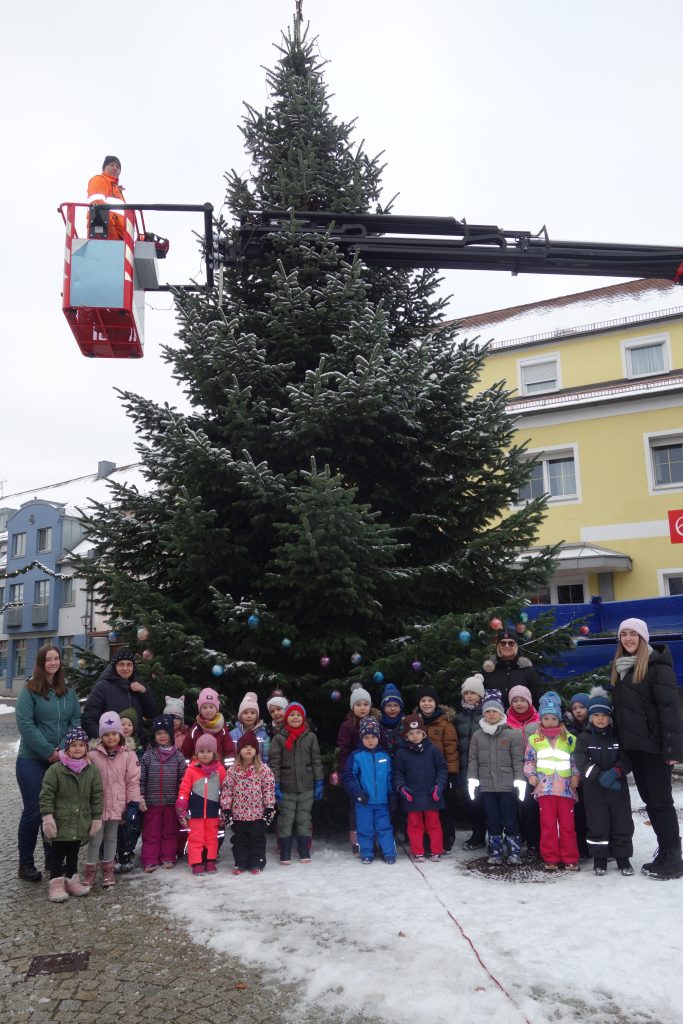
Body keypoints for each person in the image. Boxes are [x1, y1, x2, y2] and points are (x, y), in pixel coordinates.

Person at [610, 617, 683, 879]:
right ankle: (665, 851)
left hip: (654, 749)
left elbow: (670, 711)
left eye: (633, 634)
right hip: (636, 748)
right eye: (624, 634)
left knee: (661, 803)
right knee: (651, 803)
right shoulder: (622, 668)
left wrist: (672, 751)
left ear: (643, 638)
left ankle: (674, 857)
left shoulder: (656, 667)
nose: (628, 639)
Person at [15, 644, 81, 881]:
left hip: (60, 758)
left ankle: (52, 859)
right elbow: (25, 723)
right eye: (48, 659)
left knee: (54, 810)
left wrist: (62, 748)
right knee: (35, 811)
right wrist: (47, 750)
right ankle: (25, 864)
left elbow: (75, 719)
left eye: (57, 659)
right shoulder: (30, 690)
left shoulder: (68, 690)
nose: (53, 663)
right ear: (42, 663)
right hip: (31, 759)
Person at [39, 726, 103, 903]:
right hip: (60, 821)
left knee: (74, 853)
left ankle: (72, 880)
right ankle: (56, 883)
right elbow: (47, 794)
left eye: (81, 745)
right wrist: (47, 817)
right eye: (73, 745)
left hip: (80, 821)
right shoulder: (56, 770)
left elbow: (97, 796)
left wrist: (96, 818)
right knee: (58, 853)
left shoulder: (92, 772)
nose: (77, 748)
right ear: (67, 748)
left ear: (86, 748)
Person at [574, 688, 634, 876]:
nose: (600, 719)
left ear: (610, 717)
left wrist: (616, 772)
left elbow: (626, 759)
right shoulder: (584, 738)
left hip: (618, 789)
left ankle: (623, 859)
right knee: (598, 823)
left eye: (604, 715)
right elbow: (581, 761)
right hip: (594, 790)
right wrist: (600, 776)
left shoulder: (618, 737)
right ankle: (600, 860)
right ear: (591, 717)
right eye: (596, 715)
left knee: (622, 822)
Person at [524, 691, 580, 872]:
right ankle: (550, 858)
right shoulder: (534, 739)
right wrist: (531, 775)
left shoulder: (570, 739)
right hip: (544, 789)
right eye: (546, 718)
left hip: (565, 789)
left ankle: (570, 858)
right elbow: (529, 760)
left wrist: (576, 776)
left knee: (567, 826)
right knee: (547, 825)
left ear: (559, 719)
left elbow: (576, 760)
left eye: (553, 718)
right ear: (541, 719)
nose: (549, 722)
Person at [84, 712, 142, 888]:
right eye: (107, 734)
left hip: (117, 804)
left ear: (120, 735)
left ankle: (108, 870)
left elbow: (132, 781)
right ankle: (90, 871)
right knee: (95, 839)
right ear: (101, 736)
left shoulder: (128, 755)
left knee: (111, 838)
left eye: (114, 734)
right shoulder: (93, 755)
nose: (111, 738)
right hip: (98, 806)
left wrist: (133, 803)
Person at [467, 691, 525, 865]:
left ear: (501, 713)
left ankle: (514, 850)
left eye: (494, 711)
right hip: (487, 786)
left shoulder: (512, 734)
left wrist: (519, 780)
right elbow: (473, 759)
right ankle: (495, 850)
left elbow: (518, 759)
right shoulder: (478, 736)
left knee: (510, 818)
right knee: (492, 819)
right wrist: (472, 780)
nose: (491, 714)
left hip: (507, 786)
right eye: (487, 711)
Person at [269, 702, 324, 865]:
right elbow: (275, 763)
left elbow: (316, 761)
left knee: (304, 818)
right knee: (286, 819)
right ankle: (284, 850)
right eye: (292, 714)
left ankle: (303, 849)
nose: (295, 717)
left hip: (307, 786)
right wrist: (275, 784)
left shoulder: (310, 737)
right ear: (286, 718)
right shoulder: (279, 738)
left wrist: (319, 781)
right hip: (286, 787)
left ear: (303, 718)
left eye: (298, 714)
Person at [393, 713, 447, 862]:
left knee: (434, 824)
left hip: (431, 795)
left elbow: (442, 768)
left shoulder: (433, 750)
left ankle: (436, 850)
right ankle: (418, 851)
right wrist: (401, 788)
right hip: (413, 796)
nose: (415, 736)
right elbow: (398, 773)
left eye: (418, 733)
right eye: (411, 733)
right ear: (406, 736)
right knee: (414, 825)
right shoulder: (401, 753)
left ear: (423, 733)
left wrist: (439, 785)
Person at [220, 731, 276, 875]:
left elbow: (268, 790)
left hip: (257, 815)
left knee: (257, 840)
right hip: (239, 815)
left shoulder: (264, 770)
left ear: (256, 750)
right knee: (240, 841)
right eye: (245, 747)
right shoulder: (233, 771)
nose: (249, 749)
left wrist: (269, 808)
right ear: (239, 751)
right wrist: (226, 809)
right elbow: (227, 790)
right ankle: (240, 863)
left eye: (252, 746)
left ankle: (256, 863)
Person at [343, 717, 396, 865]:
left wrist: (392, 796)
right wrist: (358, 793)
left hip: (382, 802)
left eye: (373, 737)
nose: (370, 740)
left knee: (384, 828)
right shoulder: (356, 756)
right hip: (364, 802)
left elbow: (390, 777)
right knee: (365, 828)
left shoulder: (385, 756)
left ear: (378, 737)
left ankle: (389, 852)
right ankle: (366, 853)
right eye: (366, 737)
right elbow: (349, 776)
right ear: (362, 738)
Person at [139, 715, 186, 872]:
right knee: (151, 832)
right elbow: (142, 779)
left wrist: (182, 799)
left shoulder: (178, 756)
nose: (162, 736)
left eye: (165, 733)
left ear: (171, 735)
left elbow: (183, 780)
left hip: (171, 802)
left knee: (169, 832)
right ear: (154, 736)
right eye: (158, 733)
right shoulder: (148, 756)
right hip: (152, 803)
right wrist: (141, 796)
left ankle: (168, 856)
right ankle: (150, 859)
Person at [415, 685, 459, 853]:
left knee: (444, 808)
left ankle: (446, 839)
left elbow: (451, 750)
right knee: (425, 809)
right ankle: (426, 842)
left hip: (441, 774)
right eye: (423, 700)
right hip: (421, 774)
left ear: (436, 703)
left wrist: (451, 773)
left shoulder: (445, 724)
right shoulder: (414, 722)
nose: (427, 704)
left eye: (430, 700)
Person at [176, 734, 227, 875]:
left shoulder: (220, 770)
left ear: (214, 753)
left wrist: (225, 808)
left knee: (211, 837)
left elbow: (226, 790)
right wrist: (181, 806)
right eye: (201, 752)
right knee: (195, 838)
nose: (205, 755)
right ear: (196, 753)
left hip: (213, 811)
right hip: (196, 812)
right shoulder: (191, 770)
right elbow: (184, 789)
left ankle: (210, 860)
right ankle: (196, 862)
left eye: (208, 751)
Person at [82, 649, 159, 742]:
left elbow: (152, 714)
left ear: (133, 667)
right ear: (114, 667)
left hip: (137, 745)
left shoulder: (139, 684)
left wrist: (144, 692)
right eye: (121, 664)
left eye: (129, 664)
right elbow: (89, 719)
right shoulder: (102, 687)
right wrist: (106, 739)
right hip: (111, 747)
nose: (125, 668)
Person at [337, 685, 378, 854]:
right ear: (352, 707)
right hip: (355, 774)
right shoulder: (347, 726)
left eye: (365, 704)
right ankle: (357, 843)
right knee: (356, 809)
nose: (362, 708)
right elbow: (343, 751)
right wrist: (346, 774)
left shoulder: (375, 723)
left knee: (374, 806)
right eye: (358, 704)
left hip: (372, 774)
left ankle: (374, 840)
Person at [505, 684, 540, 856]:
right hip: (512, 770)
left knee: (530, 807)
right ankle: (516, 837)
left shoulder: (539, 720)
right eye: (515, 700)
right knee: (512, 807)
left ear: (529, 701)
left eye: (522, 700)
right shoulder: (505, 722)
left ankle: (533, 840)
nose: (519, 704)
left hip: (534, 772)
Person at [455, 674, 486, 850]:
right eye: (466, 693)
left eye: (473, 693)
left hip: (485, 768)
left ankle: (493, 836)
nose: (469, 696)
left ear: (480, 696)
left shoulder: (487, 715)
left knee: (487, 805)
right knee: (472, 804)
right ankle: (477, 835)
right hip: (466, 769)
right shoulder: (459, 718)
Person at [482, 629, 543, 706]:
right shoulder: (488, 670)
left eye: (511, 643)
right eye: (503, 643)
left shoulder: (527, 670)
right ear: (498, 646)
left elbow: (537, 698)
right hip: (493, 716)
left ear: (515, 646)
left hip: (521, 718)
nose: (507, 646)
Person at [181, 688, 236, 767]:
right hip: (197, 770)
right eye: (205, 707)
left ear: (216, 709)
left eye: (211, 707)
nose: (208, 710)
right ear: (200, 710)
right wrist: (188, 768)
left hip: (217, 771)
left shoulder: (222, 729)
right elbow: (185, 751)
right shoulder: (195, 729)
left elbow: (229, 752)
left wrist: (227, 770)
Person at [87, 155, 126, 239]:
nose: (115, 168)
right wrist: (111, 226)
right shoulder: (99, 180)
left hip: (119, 236)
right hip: (104, 231)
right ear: (104, 168)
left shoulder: (117, 189)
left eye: (118, 167)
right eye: (111, 165)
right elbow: (97, 204)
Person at [230, 691, 271, 763]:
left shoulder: (264, 735)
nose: (249, 716)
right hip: (237, 772)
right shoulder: (232, 735)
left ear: (257, 715)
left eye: (252, 713)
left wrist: (263, 772)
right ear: (240, 715)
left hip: (258, 772)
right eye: (245, 713)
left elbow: (266, 758)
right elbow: (230, 756)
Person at [378, 682, 404, 756]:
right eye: (388, 705)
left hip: (403, 759)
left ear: (400, 707)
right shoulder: (379, 724)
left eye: (395, 705)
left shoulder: (405, 722)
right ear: (383, 708)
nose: (392, 709)